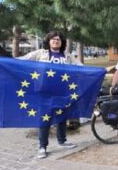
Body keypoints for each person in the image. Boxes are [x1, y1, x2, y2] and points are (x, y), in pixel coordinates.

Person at [20, 30, 80, 159]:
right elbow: (21, 60)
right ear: (48, 41)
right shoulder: (40, 53)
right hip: (44, 91)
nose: (56, 41)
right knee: (45, 118)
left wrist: (98, 71)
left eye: (58, 39)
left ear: (62, 42)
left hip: (62, 91)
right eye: (53, 39)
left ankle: (62, 140)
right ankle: (42, 146)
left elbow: (80, 66)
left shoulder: (67, 56)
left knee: (62, 117)